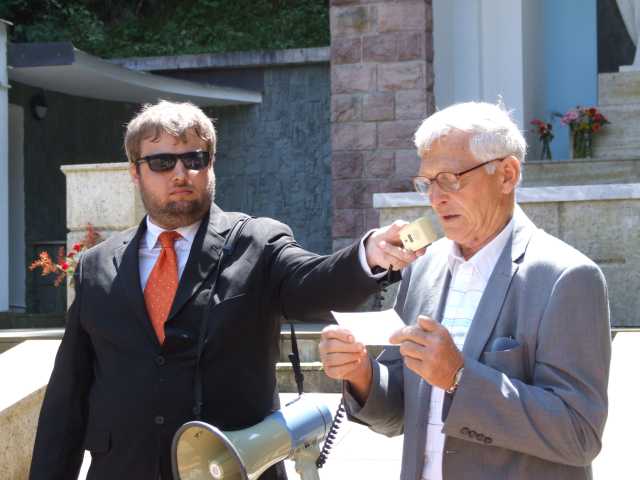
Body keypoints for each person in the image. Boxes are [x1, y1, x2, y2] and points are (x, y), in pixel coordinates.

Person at [29, 100, 420, 480]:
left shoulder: (257, 243)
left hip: (233, 469)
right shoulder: (96, 265)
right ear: (135, 172)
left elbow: (316, 282)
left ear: (211, 164)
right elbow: (68, 398)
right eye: (162, 162)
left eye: (194, 159)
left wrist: (368, 255)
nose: (181, 173)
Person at [319, 102, 611, 480]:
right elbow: (402, 410)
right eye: (427, 183)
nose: (435, 197)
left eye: (450, 178)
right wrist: (361, 373)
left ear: (506, 175)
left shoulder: (567, 278)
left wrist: (459, 377)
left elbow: (579, 433)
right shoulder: (423, 268)